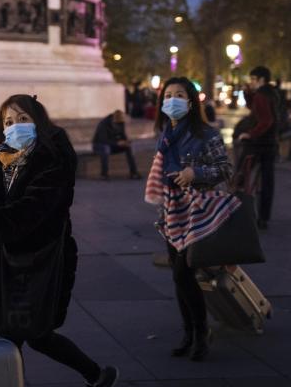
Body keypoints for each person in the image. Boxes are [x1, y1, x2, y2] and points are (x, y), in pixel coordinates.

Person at [0, 94, 119, 387]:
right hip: (11, 254)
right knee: (11, 331)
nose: (15, 126)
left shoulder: (53, 156)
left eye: (23, 119)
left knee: (31, 332)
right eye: (8, 122)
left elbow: (38, 205)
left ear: (39, 121)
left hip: (43, 255)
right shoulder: (5, 156)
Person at [145, 77, 235, 362]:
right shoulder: (166, 134)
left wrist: (195, 174)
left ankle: (200, 333)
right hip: (172, 212)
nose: (172, 99)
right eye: (168, 95)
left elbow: (224, 169)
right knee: (179, 276)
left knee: (182, 274)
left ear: (190, 101)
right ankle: (188, 333)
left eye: (179, 94)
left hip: (197, 213)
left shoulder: (205, 134)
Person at [238, 66, 278, 230]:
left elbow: (265, 120)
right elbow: (256, 109)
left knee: (241, 175)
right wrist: (248, 94)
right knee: (268, 181)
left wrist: (250, 134)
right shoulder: (272, 93)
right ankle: (264, 217)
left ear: (261, 80)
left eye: (253, 79)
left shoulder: (261, 95)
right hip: (270, 143)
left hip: (258, 144)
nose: (251, 82)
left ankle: (240, 211)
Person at [92, 110, 140, 180]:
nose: (118, 125)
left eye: (119, 124)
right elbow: (103, 140)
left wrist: (126, 142)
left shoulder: (121, 122)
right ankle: (104, 174)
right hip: (99, 145)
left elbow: (123, 135)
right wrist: (117, 143)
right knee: (106, 149)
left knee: (128, 147)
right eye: (116, 124)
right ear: (113, 120)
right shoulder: (103, 124)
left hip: (113, 145)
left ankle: (134, 173)